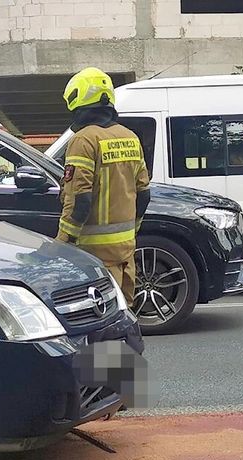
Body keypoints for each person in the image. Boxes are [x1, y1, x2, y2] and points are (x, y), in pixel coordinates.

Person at [56, 67, 150, 308]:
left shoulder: (83, 140)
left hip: (94, 256)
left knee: (99, 318)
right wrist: (132, 231)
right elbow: (144, 194)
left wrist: (63, 243)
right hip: (125, 253)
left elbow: (80, 200)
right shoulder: (130, 137)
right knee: (125, 316)